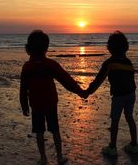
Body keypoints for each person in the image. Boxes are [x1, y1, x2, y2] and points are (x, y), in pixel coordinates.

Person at [20, 30, 87, 165]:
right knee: (55, 130)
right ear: (46, 47)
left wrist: (24, 105)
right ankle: (59, 157)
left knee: (39, 132)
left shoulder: (28, 66)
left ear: (29, 48)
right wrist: (80, 91)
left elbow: (23, 89)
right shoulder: (50, 65)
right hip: (50, 103)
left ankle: (43, 158)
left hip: (36, 104)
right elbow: (66, 80)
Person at [86, 31, 138, 156]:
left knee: (115, 120)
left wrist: (88, 92)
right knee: (129, 117)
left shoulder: (109, 63)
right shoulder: (128, 62)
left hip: (119, 96)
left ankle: (112, 147)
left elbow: (99, 80)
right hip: (131, 94)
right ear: (125, 47)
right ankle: (134, 145)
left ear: (110, 47)